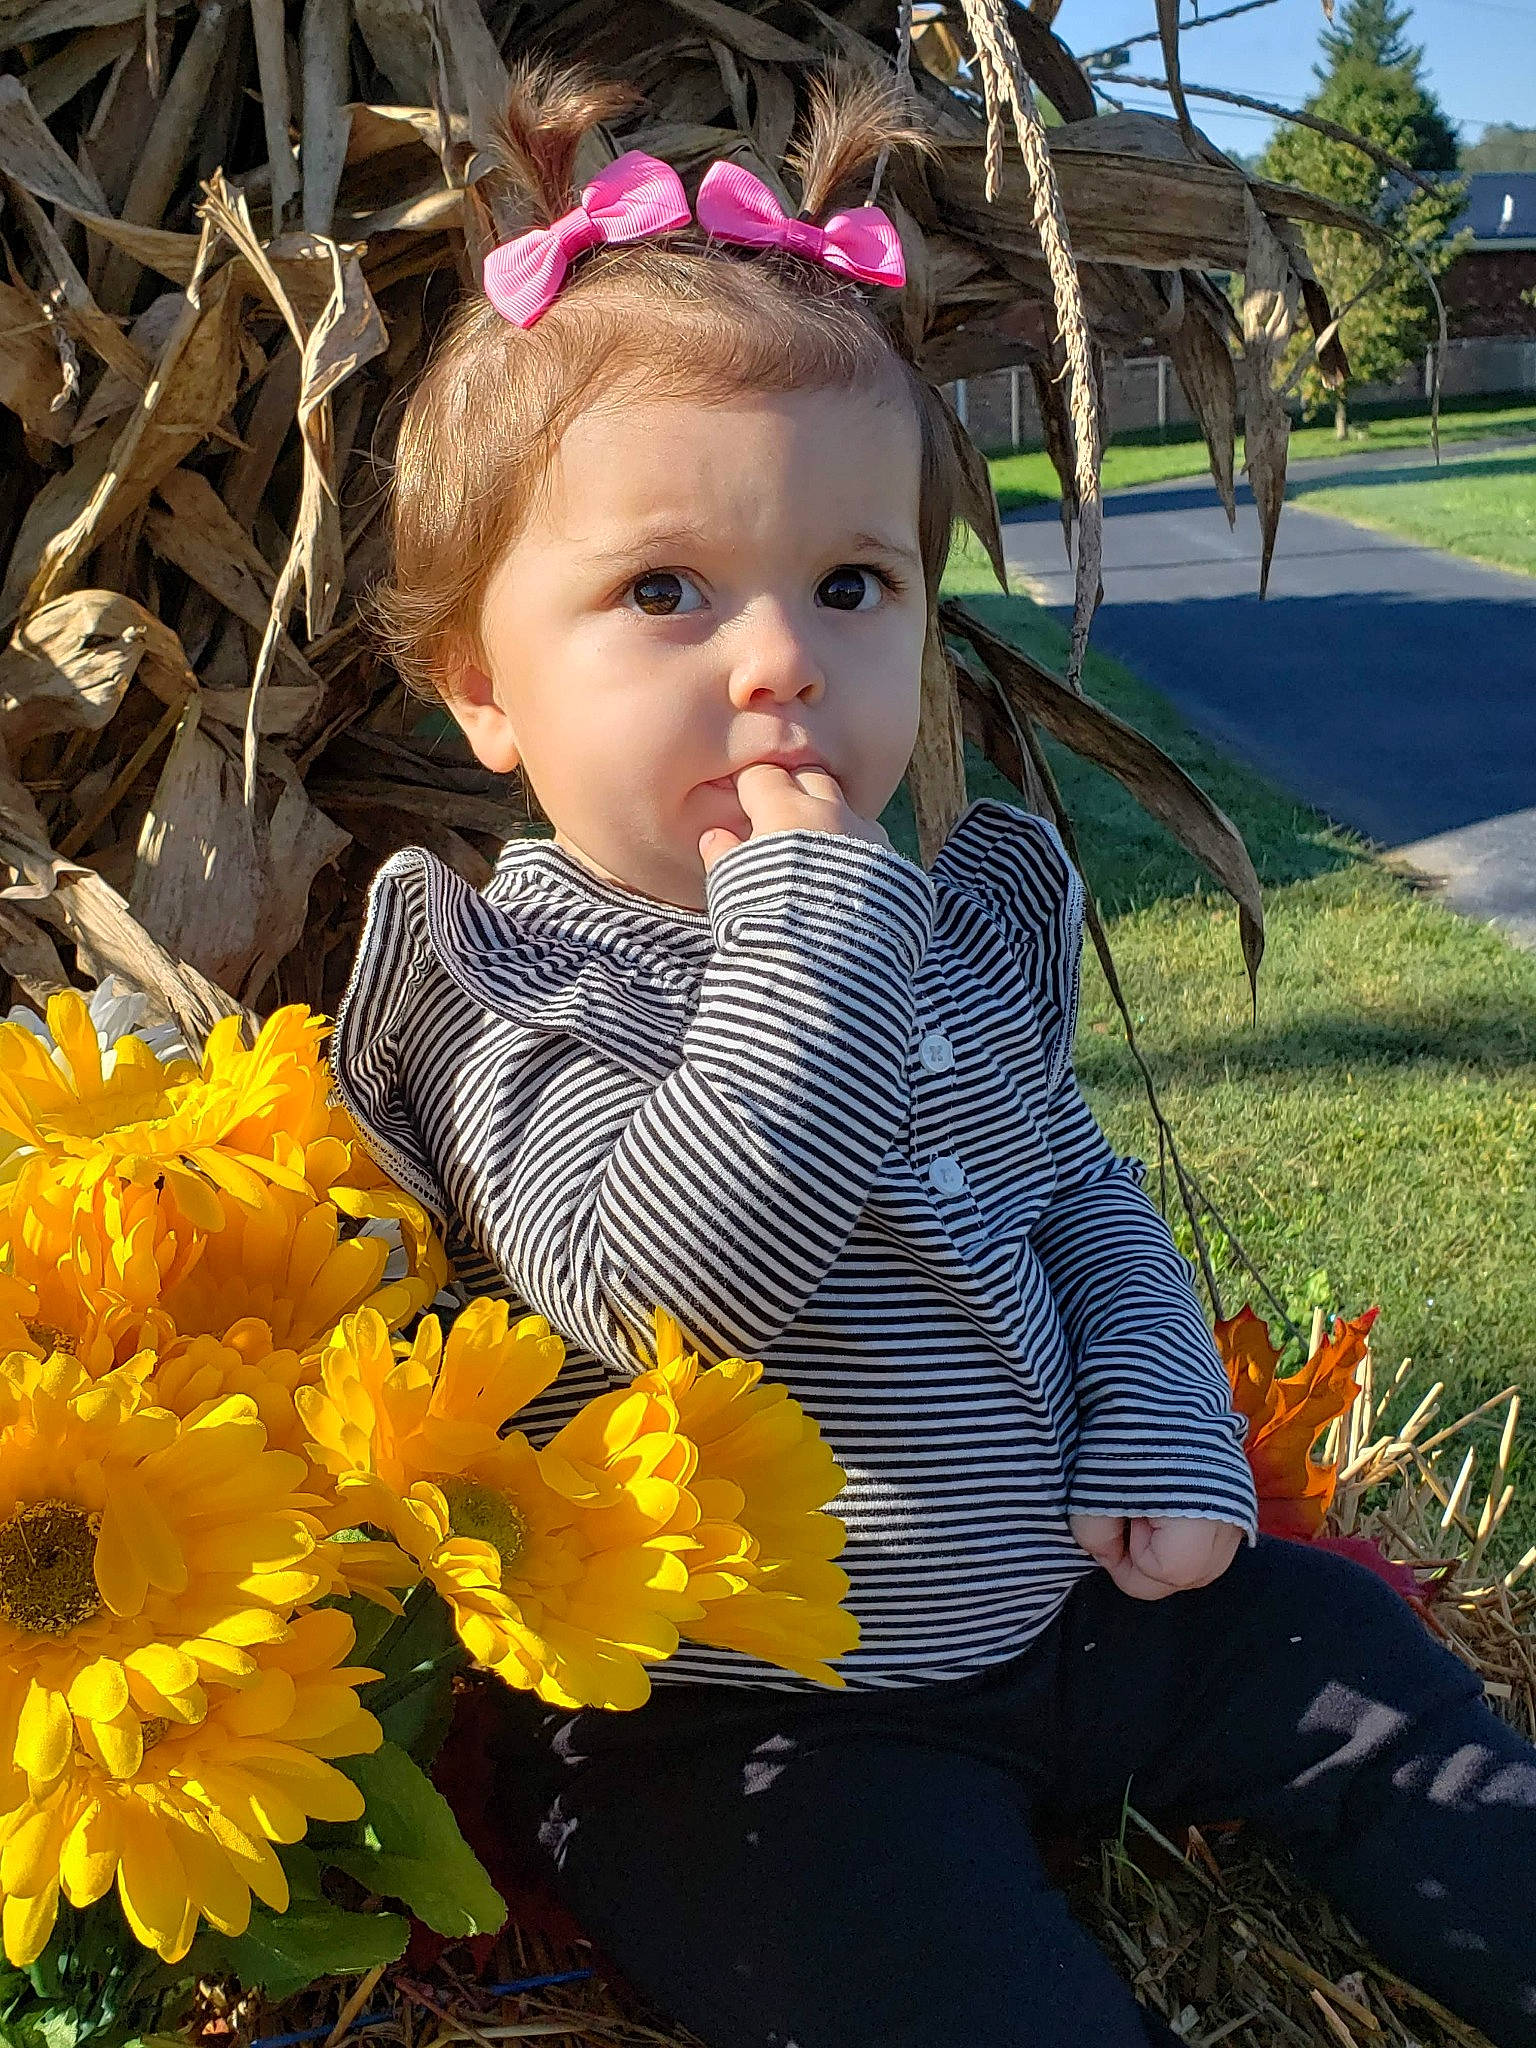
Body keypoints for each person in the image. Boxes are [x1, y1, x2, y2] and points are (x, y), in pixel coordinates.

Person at [331, 57, 1536, 2048]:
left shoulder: (954, 945)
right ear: (481, 685)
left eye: (851, 584)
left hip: (1058, 1616)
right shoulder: (502, 988)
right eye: (664, 591)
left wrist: (1158, 1425)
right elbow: (664, 1281)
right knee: (884, 1945)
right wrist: (804, 931)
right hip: (743, 1714)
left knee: (1339, 1644)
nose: (783, 654)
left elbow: (1076, 1196)